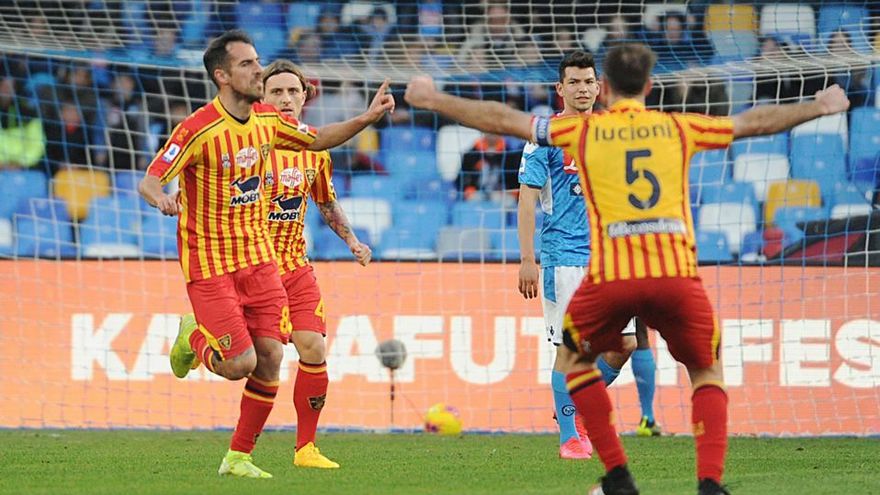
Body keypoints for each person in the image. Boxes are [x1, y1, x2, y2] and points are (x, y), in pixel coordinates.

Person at [404, 43, 850, 495]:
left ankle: (616, 473)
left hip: (612, 273)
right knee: (707, 369)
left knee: (575, 358)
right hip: (673, 273)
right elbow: (752, 123)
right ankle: (710, 483)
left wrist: (434, 99)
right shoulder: (677, 127)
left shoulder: (583, 133)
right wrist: (817, 106)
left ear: (605, 88)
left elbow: (503, 119)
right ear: (650, 86)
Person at [138, 29, 393, 479]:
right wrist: (161, 197)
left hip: (267, 263)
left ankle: (249, 455)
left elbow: (320, 144)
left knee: (280, 354)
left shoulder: (273, 125)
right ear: (222, 76)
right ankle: (193, 335)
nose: (259, 70)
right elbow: (152, 177)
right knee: (242, 363)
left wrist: (368, 118)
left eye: (259, 62)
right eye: (248, 65)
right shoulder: (199, 129)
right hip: (213, 264)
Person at [516, 51, 660, 462]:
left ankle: (575, 407)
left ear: (600, 87)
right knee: (571, 349)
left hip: (609, 258)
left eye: (588, 82)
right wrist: (527, 259)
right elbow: (527, 199)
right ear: (560, 89)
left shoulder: (612, 134)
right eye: (574, 82)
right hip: (563, 257)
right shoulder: (544, 136)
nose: (582, 89)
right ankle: (569, 437)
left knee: (625, 343)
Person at [259, 59, 372, 469]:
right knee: (255, 359)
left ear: (305, 96)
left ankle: (305, 449)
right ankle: (196, 337)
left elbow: (325, 202)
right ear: (261, 97)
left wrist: (352, 240)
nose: (286, 98)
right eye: (276, 91)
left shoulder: (315, 152)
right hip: (253, 267)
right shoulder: (251, 146)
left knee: (314, 346)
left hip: (296, 266)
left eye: (293, 91)